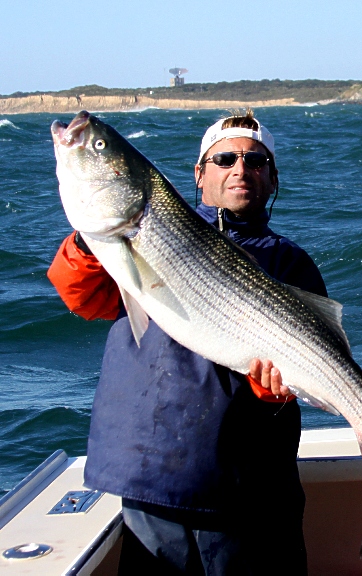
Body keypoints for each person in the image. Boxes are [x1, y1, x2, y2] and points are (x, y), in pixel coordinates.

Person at [48, 110, 326, 575]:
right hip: (152, 476)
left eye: (255, 162)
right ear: (199, 174)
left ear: (272, 179)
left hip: (248, 486)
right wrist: (89, 238)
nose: (240, 169)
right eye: (225, 159)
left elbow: (300, 376)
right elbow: (82, 296)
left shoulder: (290, 263)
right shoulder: (135, 234)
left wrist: (273, 390)